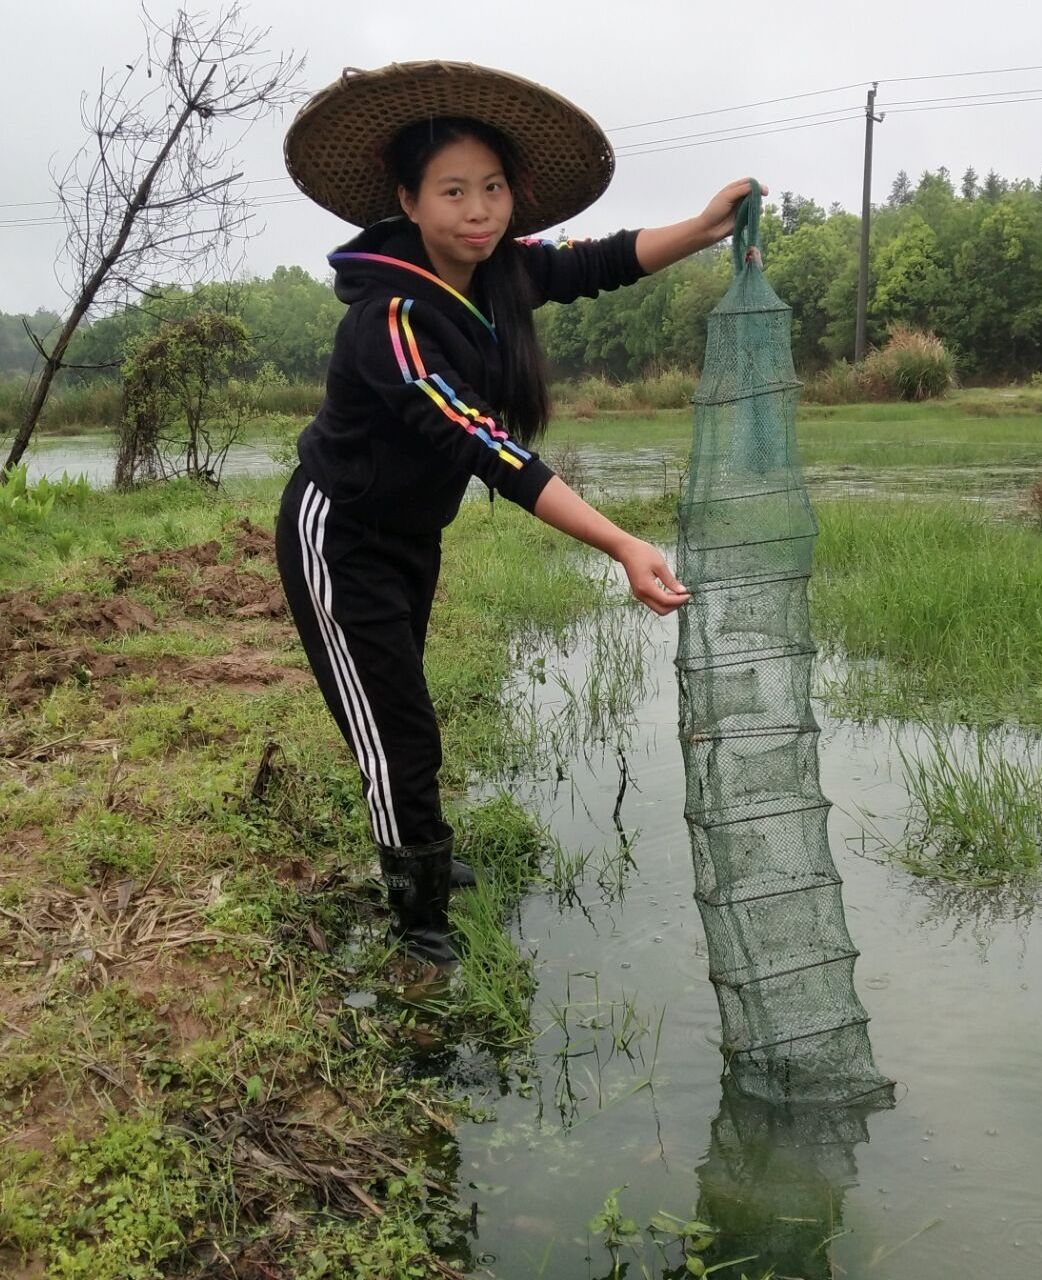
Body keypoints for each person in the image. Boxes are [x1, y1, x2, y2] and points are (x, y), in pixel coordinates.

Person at [276, 60, 764, 963]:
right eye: (454, 191)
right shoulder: (389, 317)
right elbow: (485, 448)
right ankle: (419, 928)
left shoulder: (498, 276)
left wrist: (702, 227)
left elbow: (598, 263)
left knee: (403, 707)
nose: (480, 210)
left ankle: (423, 853)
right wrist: (620, 541)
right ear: (409, 202)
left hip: (411, 536)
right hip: (338, 534)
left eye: (494, 188)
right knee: (397, 729)